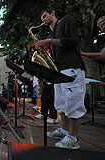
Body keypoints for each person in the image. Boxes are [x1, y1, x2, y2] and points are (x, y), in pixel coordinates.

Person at [35, 8, 86, 149]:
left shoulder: (66, 21)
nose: (43, 20)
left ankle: (74, 138)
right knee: (61, 103)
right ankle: (64, 130)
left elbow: (72, 40)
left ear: (52, 12)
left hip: (72, 68)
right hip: (59, 71)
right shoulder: (52, 33)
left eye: (44, 16)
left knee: (73, 103)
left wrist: (48, 41)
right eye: (41, 19)